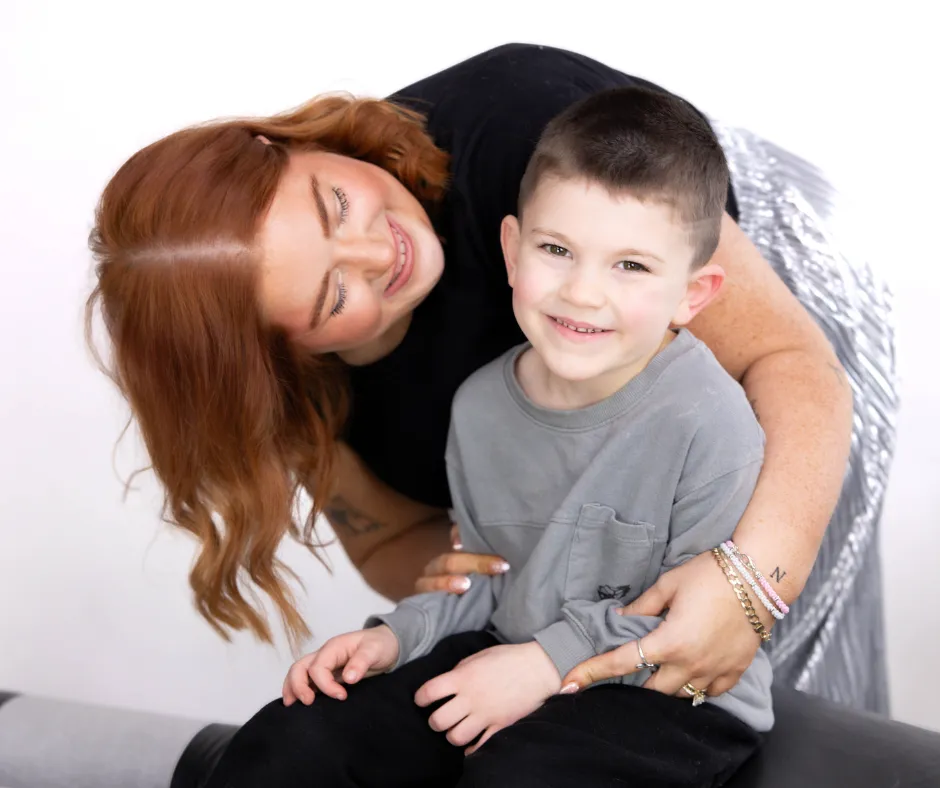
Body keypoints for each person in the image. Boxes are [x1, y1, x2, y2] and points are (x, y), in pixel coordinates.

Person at [86, 42, 853, 713]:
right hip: (619, 546)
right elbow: (391, 537)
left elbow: (789, 362)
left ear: (284, 144)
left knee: (768, 659)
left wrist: (753, 584)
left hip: (789, 367)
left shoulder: (522, 128)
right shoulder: (305, 393)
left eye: (336, 204)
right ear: (286, 358)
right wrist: (478, 580)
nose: (379, 252)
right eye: (333, 296)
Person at [205, 84, 775, 788]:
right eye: (556, 250)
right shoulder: (480, 407)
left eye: (630, 266)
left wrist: (542, 667)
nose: (583, 293)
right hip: (510, 652)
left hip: (666, 688)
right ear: (512, 250)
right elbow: (486, 578)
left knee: (521, 775)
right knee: (297, 741)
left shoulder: (712, 419)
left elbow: (696, 623)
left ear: (692, 294)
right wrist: (395, 638)